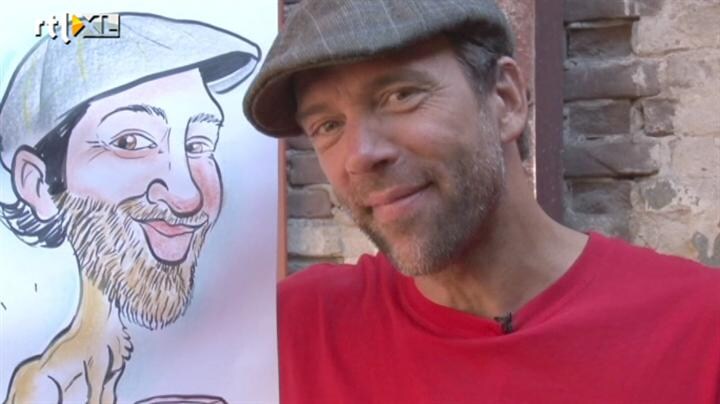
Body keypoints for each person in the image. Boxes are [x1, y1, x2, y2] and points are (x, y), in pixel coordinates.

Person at [243, 0, 720, 403]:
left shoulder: (699, 330)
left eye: (400, 95)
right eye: (327, 126)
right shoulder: (289, 333)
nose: (360, 155)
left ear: (505, 99)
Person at [0, 13, 259, 403]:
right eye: (130, 142)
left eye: (198, 144)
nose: (188, 195)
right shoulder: (48, 387)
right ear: (38, 185)